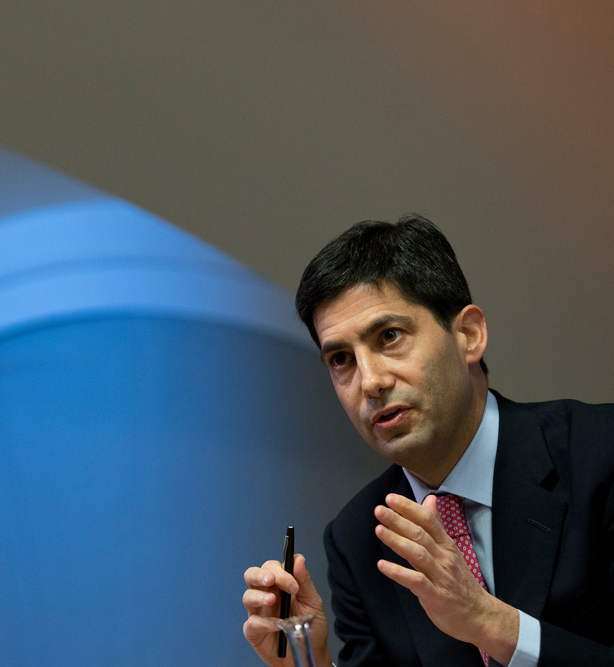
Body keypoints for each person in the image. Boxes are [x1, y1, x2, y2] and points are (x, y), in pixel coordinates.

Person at [242, 215, 614, 666]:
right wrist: (309, 658)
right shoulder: (358, 538)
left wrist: (490, 622)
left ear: (469, 335)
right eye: (341, 359)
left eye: (389, 337)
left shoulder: (599, 452)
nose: (370, 382)